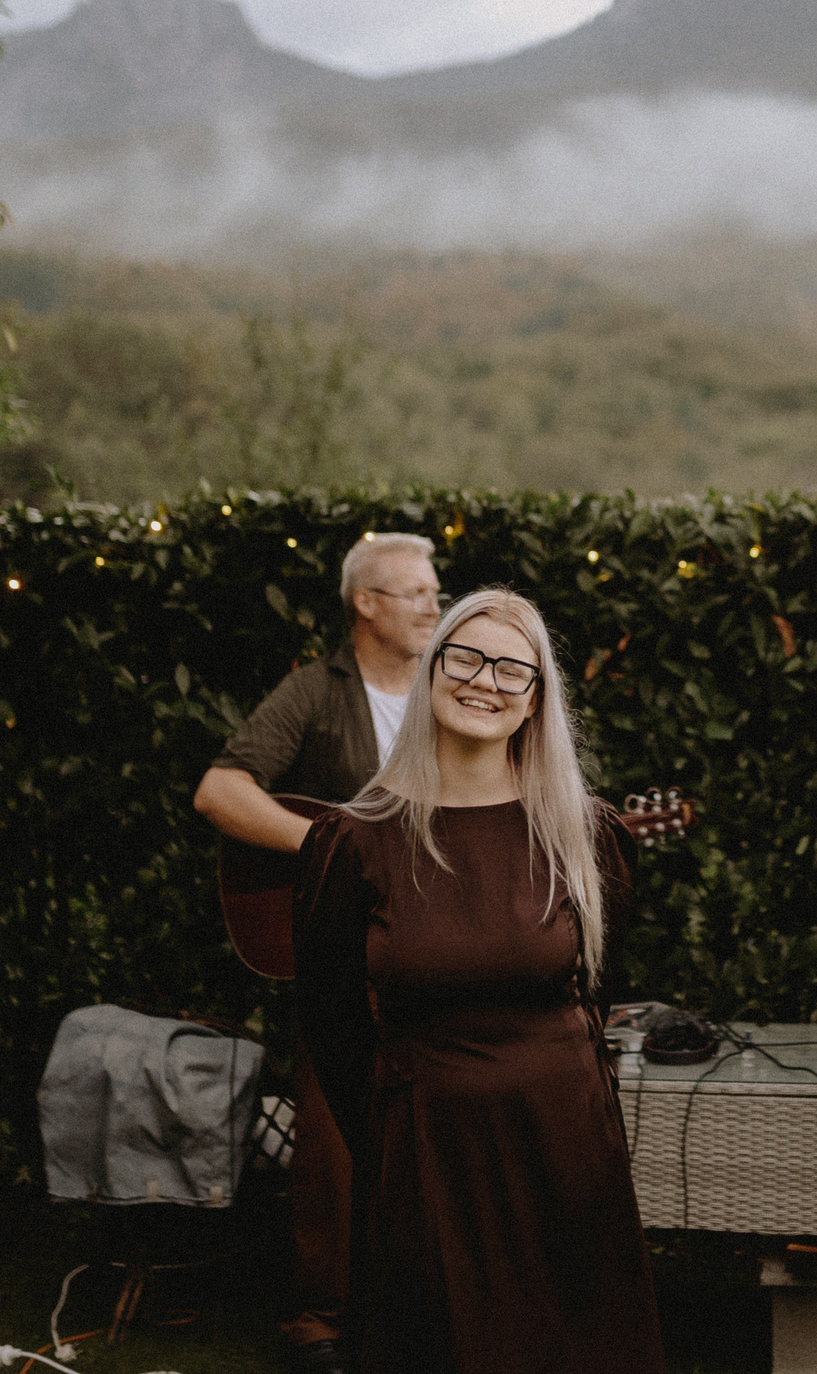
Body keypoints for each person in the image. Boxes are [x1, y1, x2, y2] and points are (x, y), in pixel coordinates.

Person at [290, 587, 664, 1374]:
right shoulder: (351, 841)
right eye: (465, 656)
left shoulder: (585, 835)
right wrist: (393, 1137)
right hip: (427, 1155)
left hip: (564, 1148)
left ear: (535, 701)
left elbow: (593, 994)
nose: (484, 680)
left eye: (510, 670)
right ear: (432, 670)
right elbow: (331, 1024)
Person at [194, 532, 443, 1374]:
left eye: (434, 591)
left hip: (433, 945)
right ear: (364, 603)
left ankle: (421, 1305)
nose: (433, 605)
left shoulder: (453, 694)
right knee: (333, 1133)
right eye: (414, 592)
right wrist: (330, 847)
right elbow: (220, 789)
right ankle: (317, 1321)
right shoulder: (314, 690)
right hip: (344, 949)